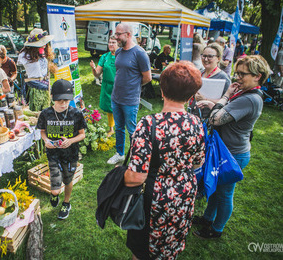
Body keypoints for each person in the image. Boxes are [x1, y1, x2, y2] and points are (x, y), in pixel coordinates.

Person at [124, 61, 206, 259]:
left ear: (162, 90)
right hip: (184, 196)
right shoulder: (196, 122)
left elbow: (135, 178)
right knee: (170, 249)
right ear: (191, 95)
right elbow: (198, 162)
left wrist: (123, 178)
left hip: (154, 200)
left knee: (143, 251)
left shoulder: (149, 124)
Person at [194, 55, 270, 239]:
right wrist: (214, 103)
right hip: (225, 149)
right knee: (216, 186)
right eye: (237, 73)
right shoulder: (246, 94)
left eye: (242, 74)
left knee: (225, 193)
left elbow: (215, 118)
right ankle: (207, 218)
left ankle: (216, 229)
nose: (237, 78)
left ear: (257, 76)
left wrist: (225, 95)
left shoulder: (249, 99)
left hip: (232, 154)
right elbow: (224, 112)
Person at [36, 79, 87, 220]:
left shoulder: (76, 113)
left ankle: (66, 202)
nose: (64, 104)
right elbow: (42, 131)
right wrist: (46, 140)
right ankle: (55, 195)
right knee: (55, 189)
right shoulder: (45, 114)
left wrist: (71, 140)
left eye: (66, 100)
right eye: (60, 101)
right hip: (53, 154)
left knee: (67, 180)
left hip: (70, 155)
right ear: (52, 97)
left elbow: (82, 134)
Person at [107, 23, 152, 165]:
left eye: (119, 34)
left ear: (129, 34)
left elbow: (147, 77)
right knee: (119, 127)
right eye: (116, 34)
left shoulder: (140, 53)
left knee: (132, 130)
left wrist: (134, 87)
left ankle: (134, 157)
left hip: (130, 100)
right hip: (116, 97)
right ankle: (120, 154)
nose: (116, 37)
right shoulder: (119, 52)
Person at [90, 36, 118, 136]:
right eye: (109, 42)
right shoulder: (104, 57)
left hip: (119, 87)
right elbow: (97, 74)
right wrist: (93, 68)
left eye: (113, 42)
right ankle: (111, 129)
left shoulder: (122, 56)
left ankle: (120, 126)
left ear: (118, 44)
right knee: (110, 108)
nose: (111, 44)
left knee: (119, 108)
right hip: (107, 86)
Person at [17, 28, 54, 103]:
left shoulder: (43, 53)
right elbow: (19, 65)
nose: (44, 45)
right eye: (41, 43)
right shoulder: (24, 55)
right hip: (33, 87)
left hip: (45, 85)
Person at [194, 43, 231, 118]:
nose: (206, 59)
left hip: (209, 118)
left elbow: (228, 103)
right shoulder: (199, 73)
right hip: (195, 115)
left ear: (219, 58)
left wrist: (205, 99)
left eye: (210, 56)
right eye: (204, 56)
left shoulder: (223, 78)